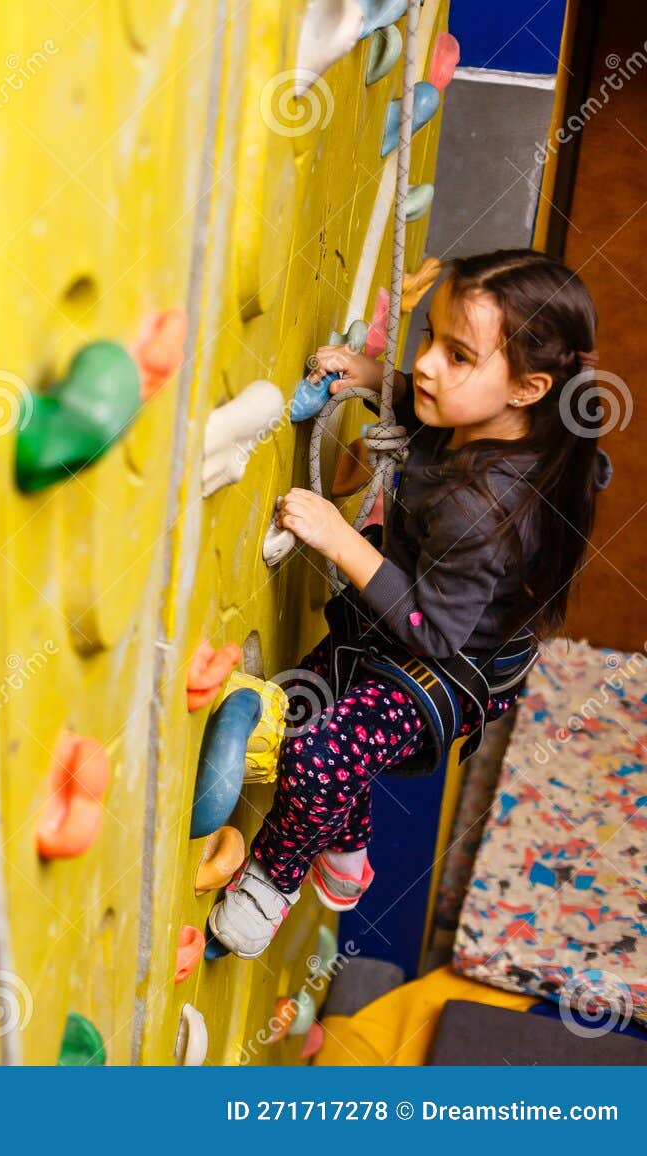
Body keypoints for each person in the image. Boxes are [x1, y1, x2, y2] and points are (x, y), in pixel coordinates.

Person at [208, 249, 612, 958]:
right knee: (313, 700)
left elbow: (432, 631)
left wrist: (339, 539)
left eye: (458, 355)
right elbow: (440, 415)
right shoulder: (505, 420)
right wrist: (373, 379)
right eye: (429, 337)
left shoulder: (481, 509)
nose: (426, 364)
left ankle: (275, 878)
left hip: (450, 659)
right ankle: (348, 848)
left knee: (314, 755)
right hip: (421, 606)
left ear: (527, 388)